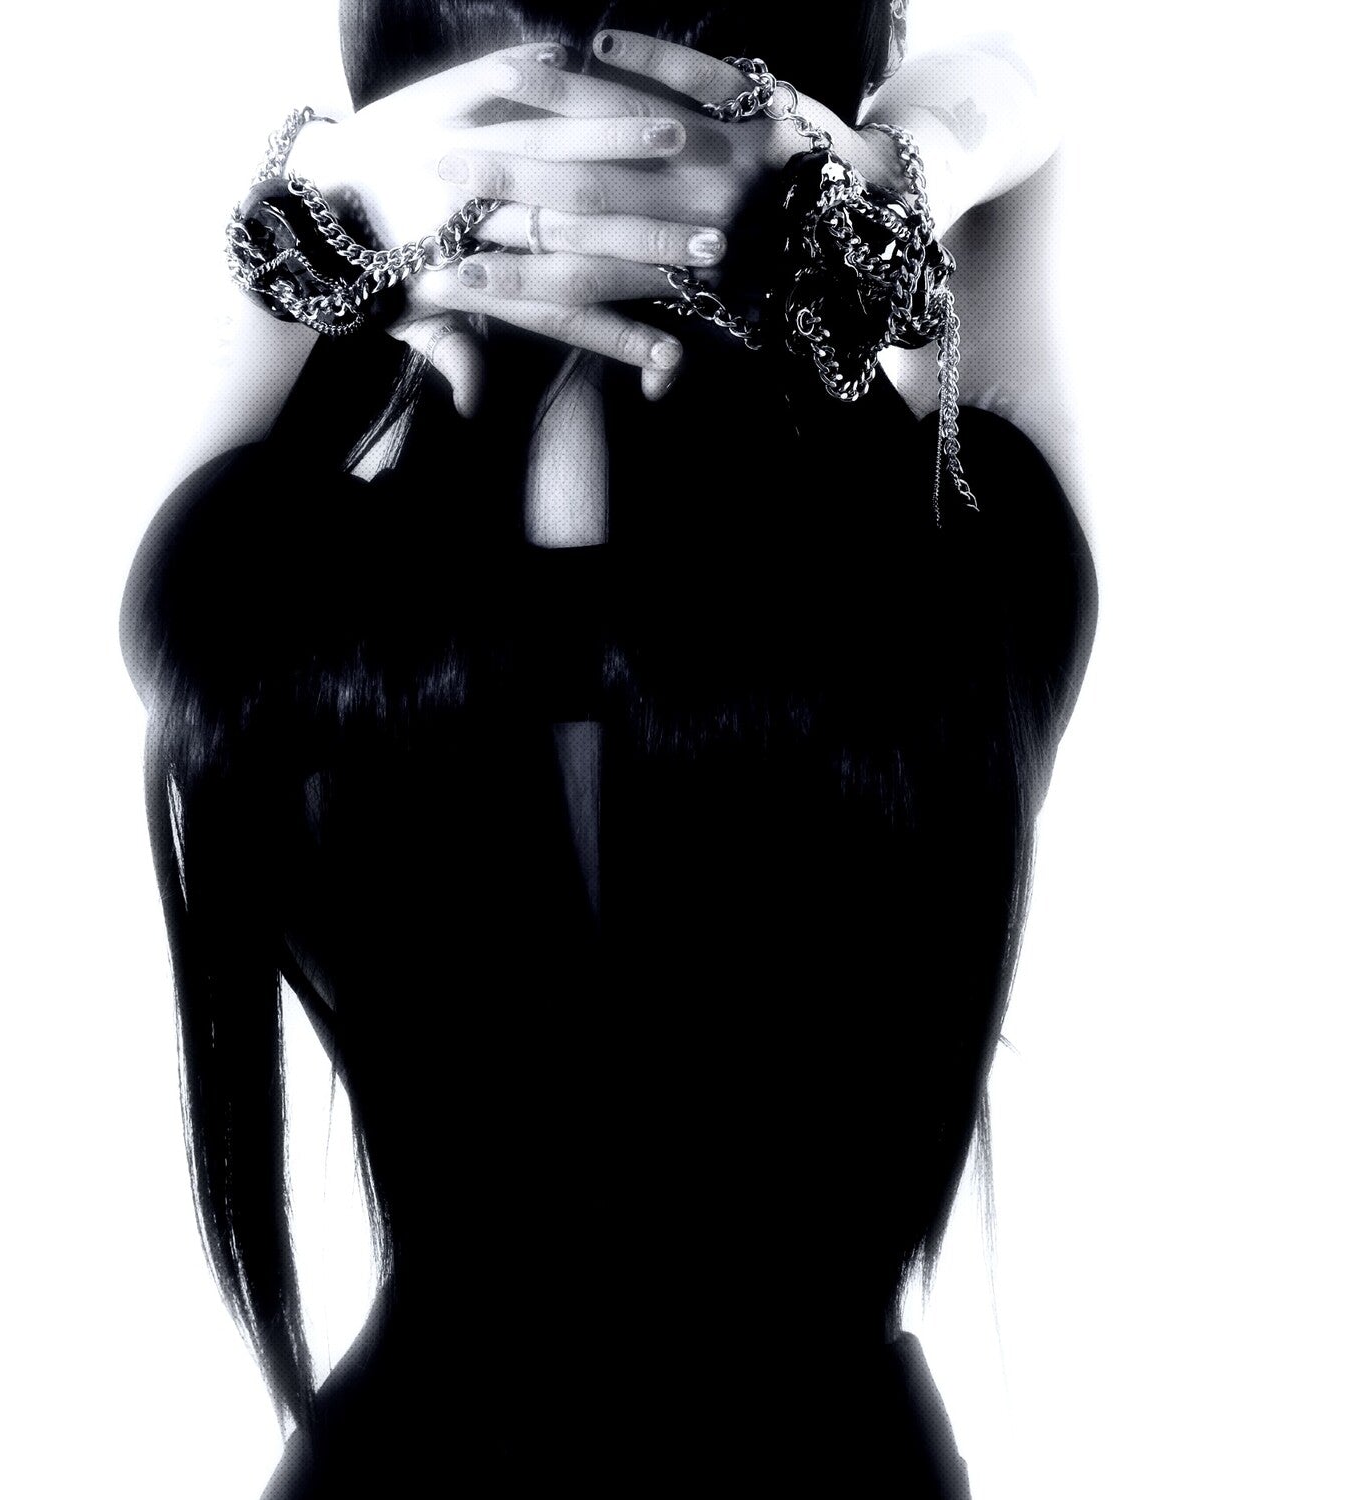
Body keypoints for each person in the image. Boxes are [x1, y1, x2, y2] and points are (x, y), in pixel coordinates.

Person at [121, 3, 1096, 1493]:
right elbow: (1028, 103)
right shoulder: (946, 582)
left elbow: (262, 291)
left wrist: (344, 190)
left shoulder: (263, 622)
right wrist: (894, 164)